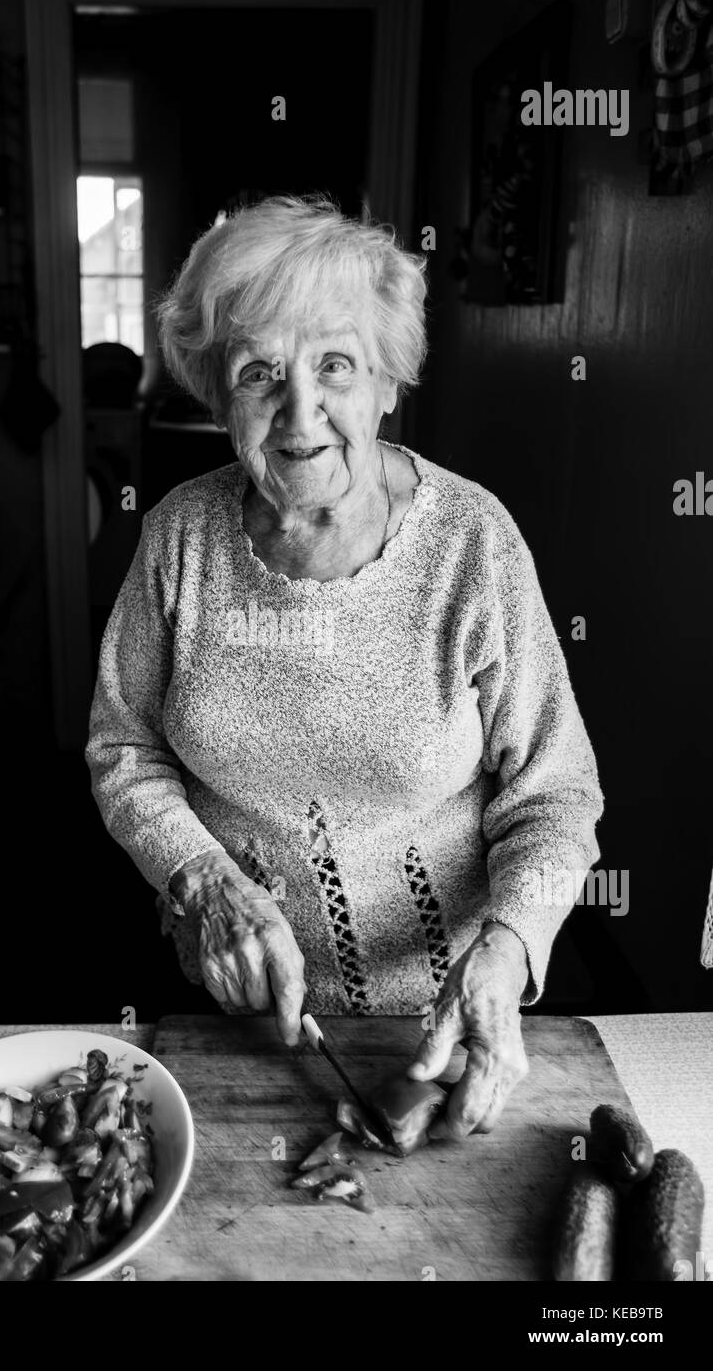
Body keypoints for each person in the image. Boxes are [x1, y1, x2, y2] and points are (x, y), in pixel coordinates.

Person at [86, 195, 603, 1139]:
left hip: (441, 1021)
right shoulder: (177, 542)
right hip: (231, 1009)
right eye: (258, 373)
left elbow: (556, 795)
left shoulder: (472, 545)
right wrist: (204, 884)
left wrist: (508, 949)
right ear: (214, 395)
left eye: (336, 365)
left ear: (389, 382)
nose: (300, 412)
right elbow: (123, 750)